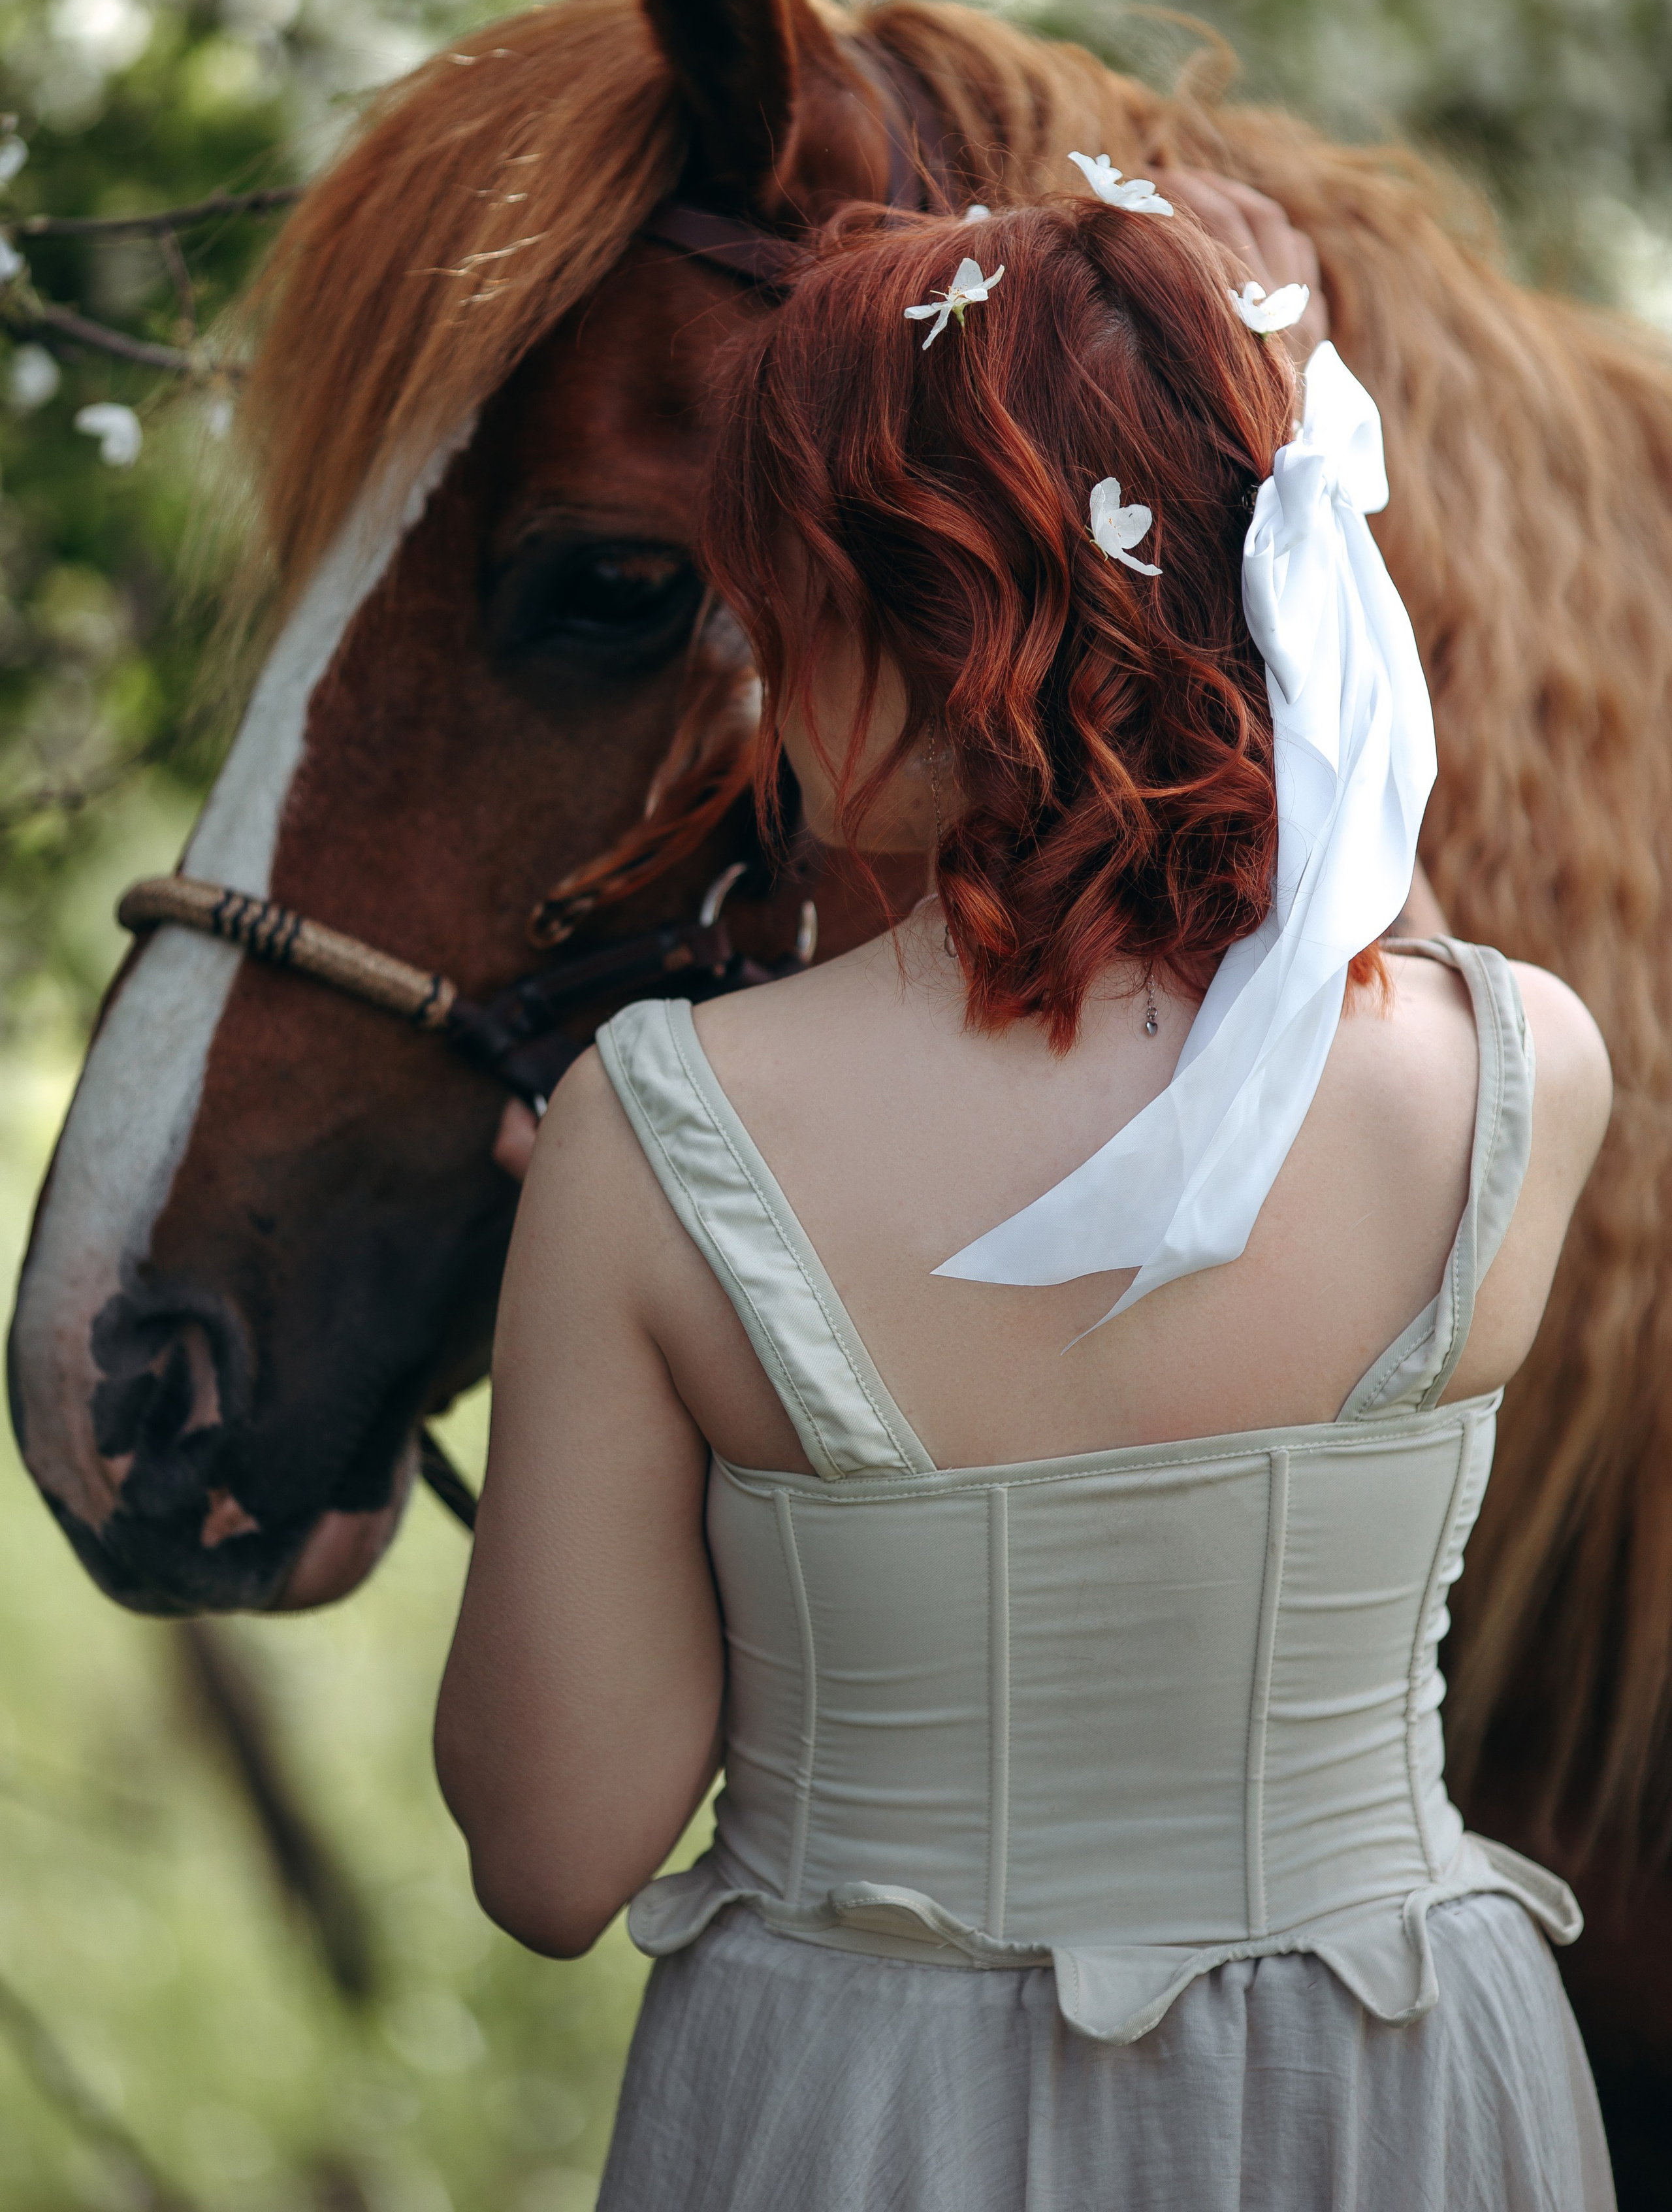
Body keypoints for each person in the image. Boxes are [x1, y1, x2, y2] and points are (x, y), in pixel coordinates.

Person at [436, 165, 1615, 2210]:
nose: (754, 668)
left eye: (775, 593)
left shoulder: (662, 1142)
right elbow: (1344, 913)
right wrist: (1279, 438)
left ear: (909, 621)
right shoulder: (1519, 1074)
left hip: (867, 2123)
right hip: (1408, 2101)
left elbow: (555, 1856)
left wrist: (589, 1298)